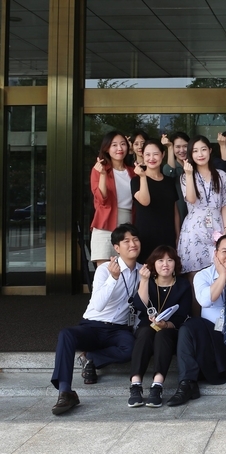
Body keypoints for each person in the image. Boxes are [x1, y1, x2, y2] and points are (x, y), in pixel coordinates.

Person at [50, 224, 142, 415]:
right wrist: (113, 279)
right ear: (116, 248)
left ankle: (90, 358)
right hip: (92, 326)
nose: (132, 244)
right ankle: (65, 392)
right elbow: (98, 305)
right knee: (66, 334)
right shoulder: (104, 269)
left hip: (119, 330)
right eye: (126, 241)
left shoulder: (142, 272)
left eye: (135, 239)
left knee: (133, 348)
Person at [167, 234, 226, 406]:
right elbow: (205, 301)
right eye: (224, 251)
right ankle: (186, 384)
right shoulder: (202, 275)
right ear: (216, 254)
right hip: (212, 334)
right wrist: (221, 277)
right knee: (187, 328)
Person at [128, 246, 192, 408]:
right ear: (153, 264)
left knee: (163, 334)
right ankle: (135, 385)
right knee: (145, 332)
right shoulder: (148, 282)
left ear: (175, 264)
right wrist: (143, 280)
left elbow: (183, 314)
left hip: (171, 329)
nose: (165, 264)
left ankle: (157, 386)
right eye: (160, 260)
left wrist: (166, 324)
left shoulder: (183, 285)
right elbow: (139, 306)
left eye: (170, 260)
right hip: (147, 327)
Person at [177, 135, 226, 316]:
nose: (200, 154)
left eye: (203, 149)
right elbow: (191, 199)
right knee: (195, 280)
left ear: (210, 150)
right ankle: (196, 323)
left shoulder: (221, 175)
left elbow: (225, 204)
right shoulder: (185, 177)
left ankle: (217, 322)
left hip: (217, 228)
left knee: (218, 275)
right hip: (194, 230)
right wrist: (189, 174)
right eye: (195, 151)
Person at [90, 131, 136, 268]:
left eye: (123, 144)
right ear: (106, 149)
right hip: (105, 223)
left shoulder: (133, 172)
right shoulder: (99, 170)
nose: (119, 148)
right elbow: (101, 199)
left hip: (128, 222)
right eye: (114, 145)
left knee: (126, 269)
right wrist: (103, 175)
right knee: (104, 270)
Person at [130, 138, 179, 263]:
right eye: (147, 154)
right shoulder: (136, 181)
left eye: (155, 154)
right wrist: (143, 177)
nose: (151, 158)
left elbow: (175, 212)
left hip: (167, 236)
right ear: (142, 155)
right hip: (145, 236)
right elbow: (145, 201)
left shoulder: (169, 182)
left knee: (167, 270)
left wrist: (178, 235)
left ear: (163, 155)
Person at [161, 131, 190, 224]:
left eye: (185, 146)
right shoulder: (169, 167)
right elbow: (170, 173)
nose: (182, 150)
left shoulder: (195, 167)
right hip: (178, 215)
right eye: (177, 147)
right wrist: (169, 147)